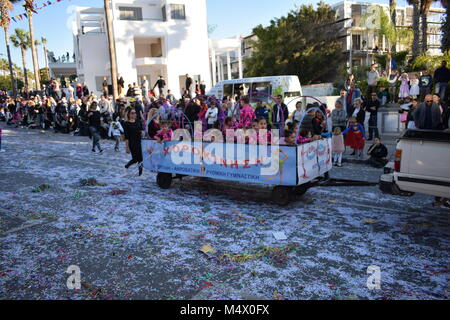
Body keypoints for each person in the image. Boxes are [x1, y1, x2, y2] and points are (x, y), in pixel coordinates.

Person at [124, 107, 144, 176]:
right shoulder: (126, 124)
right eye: (132, 113)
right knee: (135, 159)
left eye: (135, 113)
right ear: (129, 114)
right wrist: (127, 147)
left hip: (139, 142)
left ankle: (140, 173)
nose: (134, 114)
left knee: (141, 158)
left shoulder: (138, 121)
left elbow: (141, 130)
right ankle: (127, 165)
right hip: (132, 143)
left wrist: (142, 132)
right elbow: (126, 137)